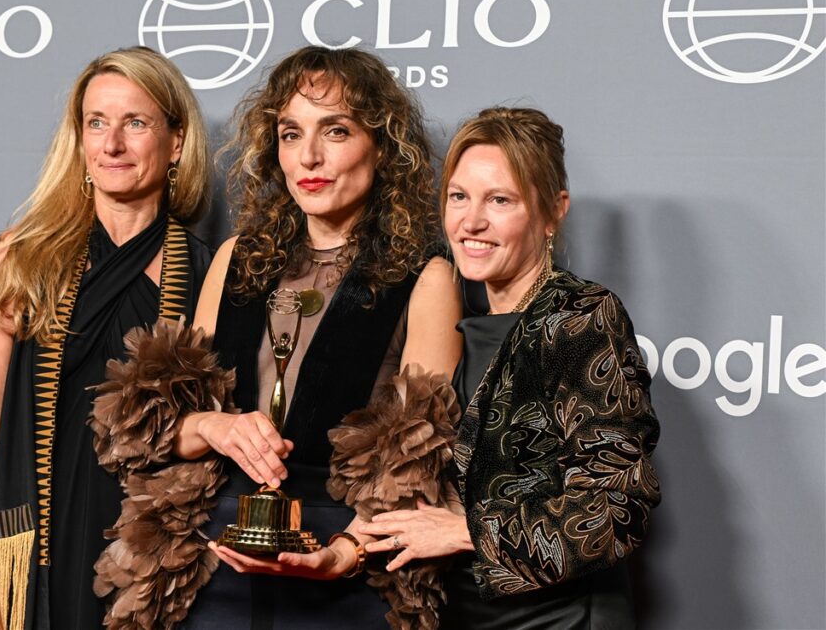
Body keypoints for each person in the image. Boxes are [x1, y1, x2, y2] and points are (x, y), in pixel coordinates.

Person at [91, 46, 462, 628]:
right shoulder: (235, 260)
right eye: (291, 134)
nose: (309, 156)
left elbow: (421, 469)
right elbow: (148, 431)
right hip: (213, 564)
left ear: (382, 145)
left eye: (335, 131)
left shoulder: (427, 277)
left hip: (342, 571)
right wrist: (212, 426)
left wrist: (345, 553)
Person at [359, 107, 661, 628]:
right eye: (459, 196)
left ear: (552, 212)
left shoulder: (578, 317)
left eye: (500, 200)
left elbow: (617, 507)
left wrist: (464, 532)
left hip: (560, 618)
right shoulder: (461, 324)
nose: (471, 222)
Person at [0, 47, 213, 630]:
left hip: (147, 570)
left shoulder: (207, 273)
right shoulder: (22, 258)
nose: (112, 144)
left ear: (176, 142)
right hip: (29, 557)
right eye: (97, 122)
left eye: (135, 123)